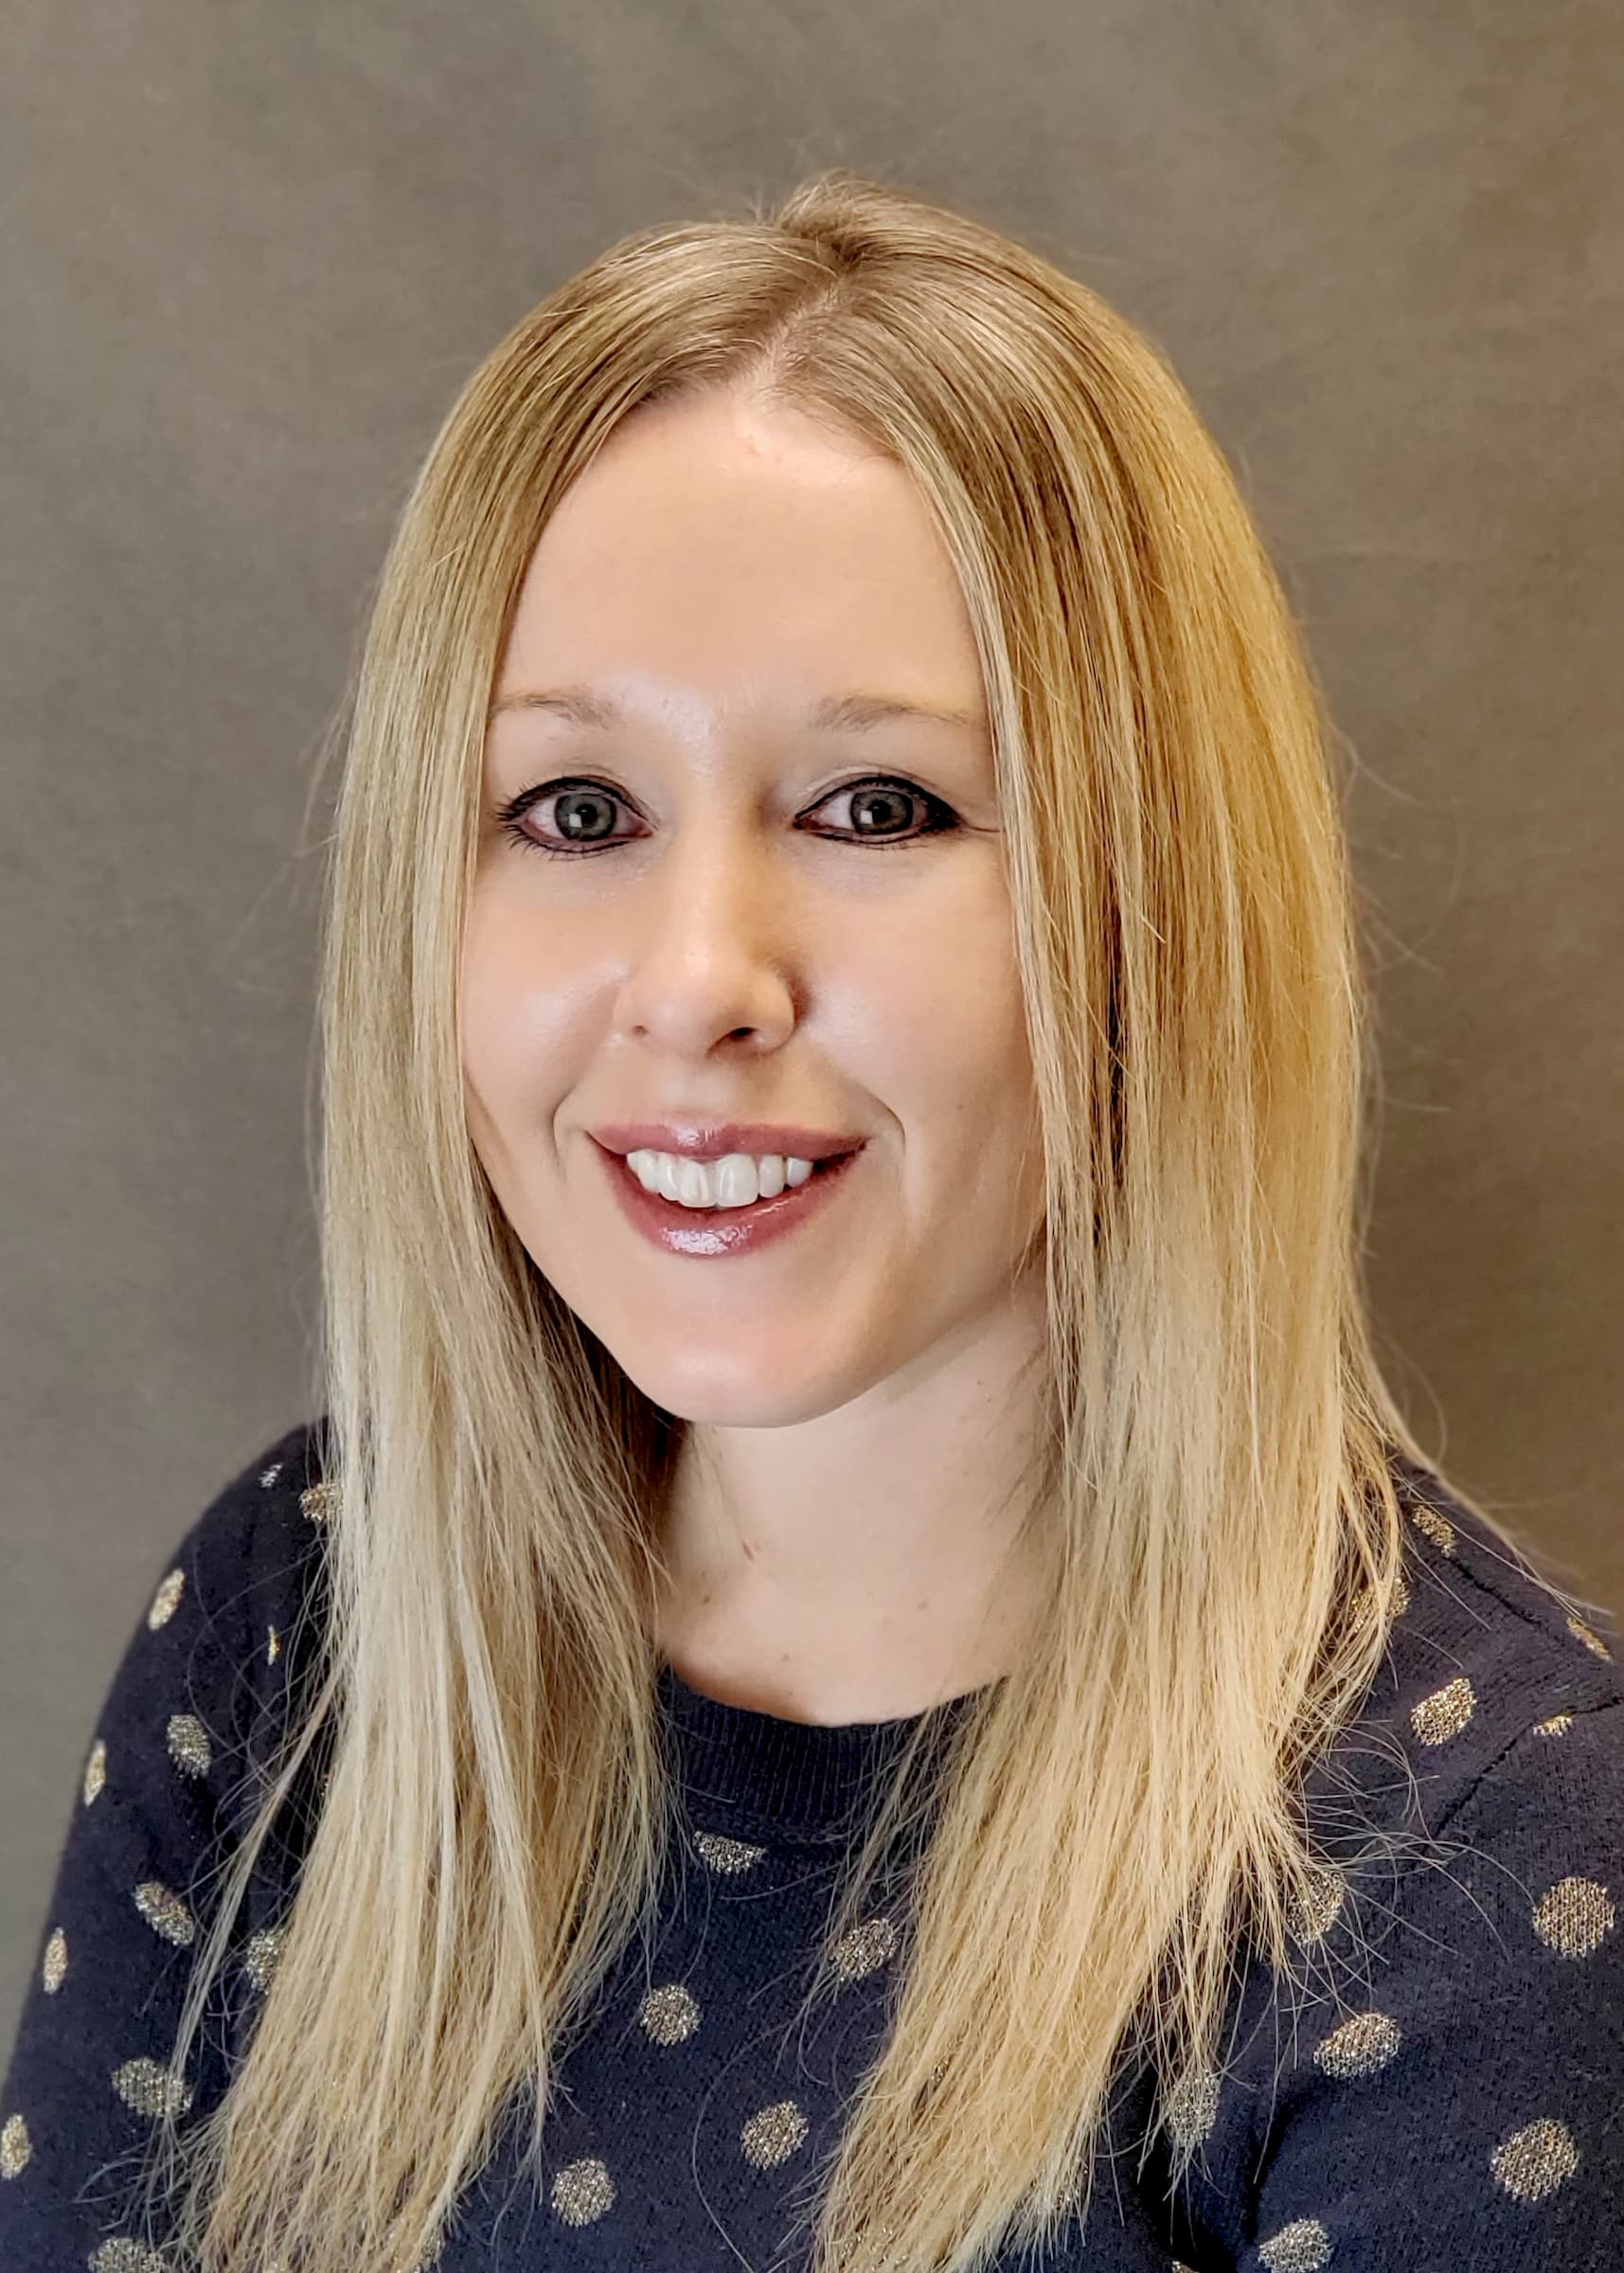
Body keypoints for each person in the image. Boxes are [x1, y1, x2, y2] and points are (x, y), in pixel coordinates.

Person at [2, 168, 1620, 2273]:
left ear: (1159, 917)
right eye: (574, 811)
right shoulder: (298, 1625)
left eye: (880, 809)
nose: (697, 980)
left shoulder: (1503, 1879)